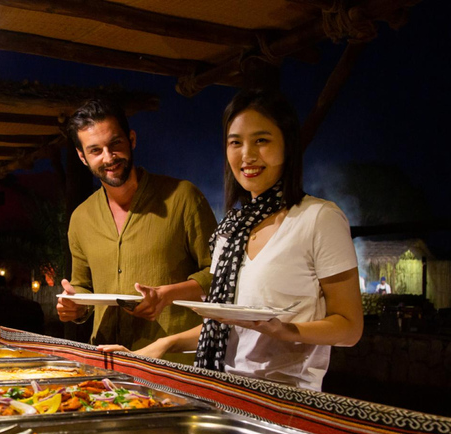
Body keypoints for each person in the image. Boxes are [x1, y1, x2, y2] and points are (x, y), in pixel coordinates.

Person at [99, 89, 363, 391]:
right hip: (223, 392)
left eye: (261, 140)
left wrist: (287, 330)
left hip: (287, 401)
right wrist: (159, 346)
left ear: (288, 145)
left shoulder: (318, 218)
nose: (247, 155)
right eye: (235, 142)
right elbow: (224, 330)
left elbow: (350, 328)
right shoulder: (231, 230)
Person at [56, 97, 217, 362]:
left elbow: (219, 275)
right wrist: (74, 304)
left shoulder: (183, 197)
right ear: (82, 157)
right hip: (107, 362)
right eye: (95, 151)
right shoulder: (81, 217)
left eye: (115, 143)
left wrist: (166, 295)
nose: (108, 157)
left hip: (174, 364)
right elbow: (82, 285)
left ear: (131, 139)